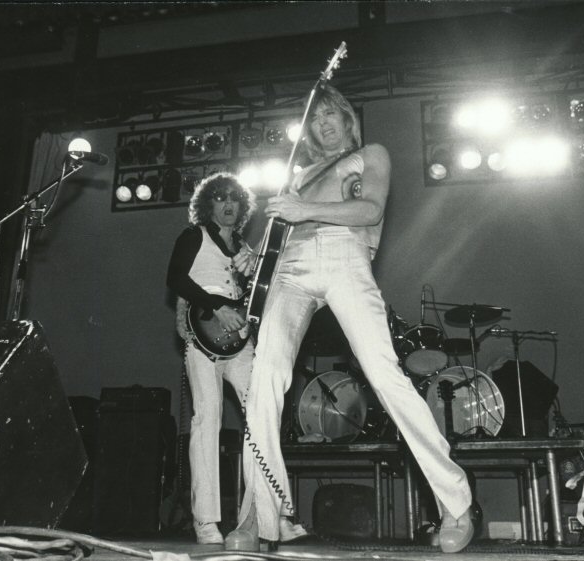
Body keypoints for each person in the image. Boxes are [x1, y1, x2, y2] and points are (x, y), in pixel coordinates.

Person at [225, 85, 474, 553]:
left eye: (331, 114)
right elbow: (280, 235)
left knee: (385, 375)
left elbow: (370, 209)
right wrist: (254, 259)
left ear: (347, 119)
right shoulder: (298, 173)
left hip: (345, 258)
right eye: (314, 117)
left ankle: (456, 505)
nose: (322, 122)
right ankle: (257, 517)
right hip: (291, 269)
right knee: (263, 382)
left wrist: (305, 209)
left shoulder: (368, 155)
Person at [166, 172, 257, 544]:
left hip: (241, 343)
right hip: (203, 336)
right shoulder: (194, 236)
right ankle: (206, 521)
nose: (228, 203)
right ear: (209, 205)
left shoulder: (244, 249)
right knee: (208, 421)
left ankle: (259, 515)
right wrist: (216, 306)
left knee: (263, 413)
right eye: (220, 197)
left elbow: (255, 296)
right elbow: (175, 278)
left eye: (234, 197)